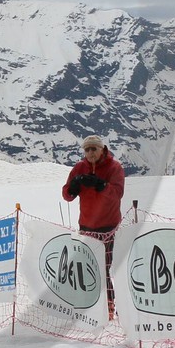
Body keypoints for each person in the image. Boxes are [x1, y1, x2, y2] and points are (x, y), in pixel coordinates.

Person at [61, 134, 125, 313]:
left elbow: (117, 194)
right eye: (87, 149)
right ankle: (91, 303)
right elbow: (67, 195)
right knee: (87, 266)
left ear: (102, 149)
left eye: (94, 149)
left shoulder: (114, 167)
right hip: (86, 226)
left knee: (103, 266)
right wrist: (72, 187)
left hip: (107, 226)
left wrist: (101, 185)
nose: (90, 153)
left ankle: (108, 304)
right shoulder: (79, 168)